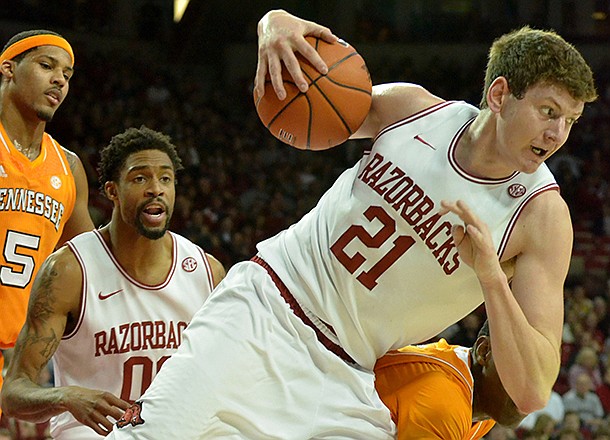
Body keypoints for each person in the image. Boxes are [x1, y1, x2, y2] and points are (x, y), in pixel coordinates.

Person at [108, 9, 597, 439]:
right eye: (547, 111)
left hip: (349, 373)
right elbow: (304, 103)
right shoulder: (413, 111)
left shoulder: (541, 218)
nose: (557, 134)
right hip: (268, 308)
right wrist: (273, 23)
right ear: (499, 94)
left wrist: (492, 277)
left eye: (570, 120)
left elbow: (532, 390)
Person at [0, 126, 225, 438]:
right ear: (111, 191)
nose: (156, 189)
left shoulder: (206, 272)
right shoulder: (69, 271)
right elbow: (13, 393)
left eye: (165, 178)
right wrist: (66, 397)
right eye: (140, 178)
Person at [0, 29, 94, 413]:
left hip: (27, 367)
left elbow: (92, 266)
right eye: (46, 65)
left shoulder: (68, 167)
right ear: (9, 68)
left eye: (67, 75)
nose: (59, 80)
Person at [374, 320, 524, 439]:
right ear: (484, 351)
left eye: (545, 381)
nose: (535, 394)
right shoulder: (445, 397)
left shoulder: (487, 405)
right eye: (524, 373)